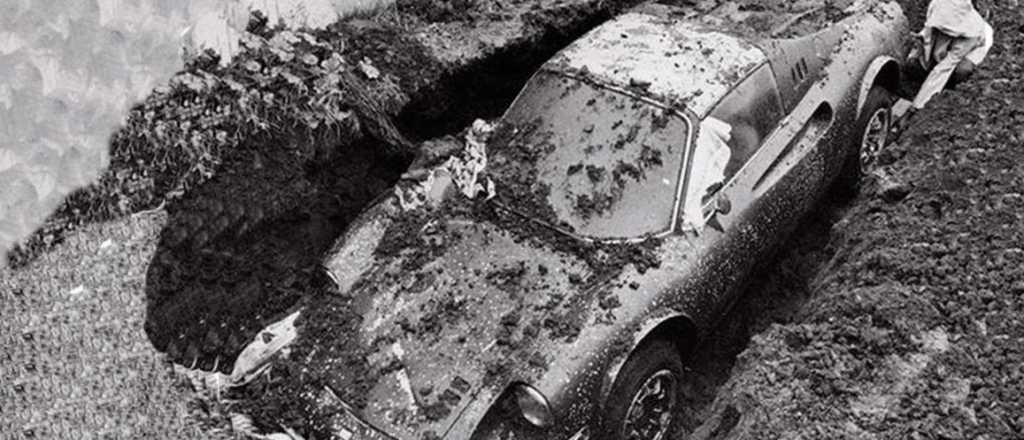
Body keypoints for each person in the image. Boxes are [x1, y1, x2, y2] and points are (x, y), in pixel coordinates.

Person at [893, 0, 994, 137]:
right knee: (916, 64)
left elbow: (942, 70)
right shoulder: (939, 6)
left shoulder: (971, 36)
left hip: (974, 47)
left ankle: (948, 88)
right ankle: (922, 86)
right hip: (952, 35)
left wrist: (914, 109)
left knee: (961, 70)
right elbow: (927, 36)